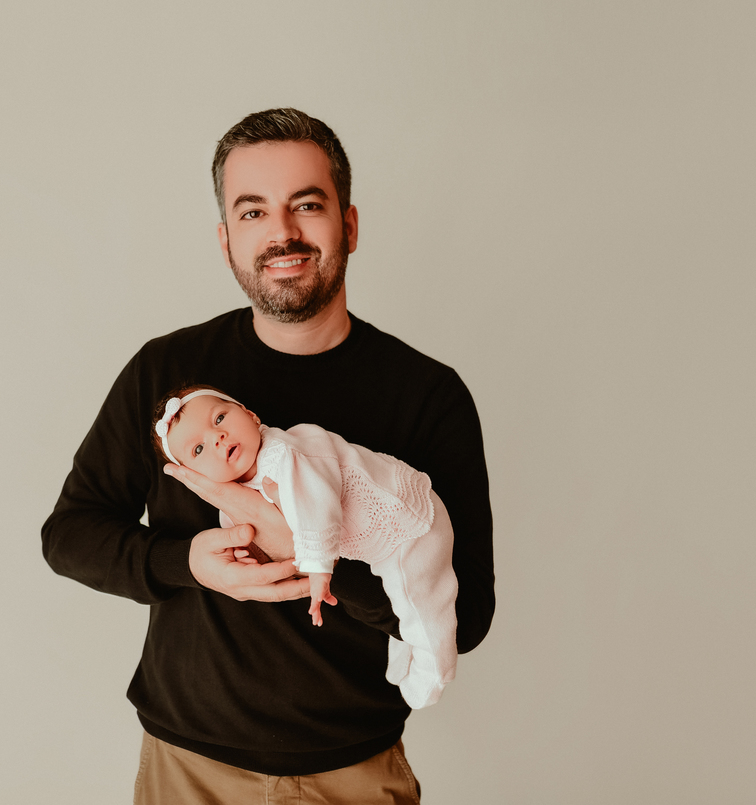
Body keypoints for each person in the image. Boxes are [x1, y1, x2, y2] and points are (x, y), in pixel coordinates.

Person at [41, 108, 494, 803]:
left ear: (349, 224)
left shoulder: (428, 395)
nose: (281, 232)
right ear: (226, 240)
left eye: (306, 205)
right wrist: (188, 562)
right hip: (186, 769)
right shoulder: (166, 376)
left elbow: (470, 614)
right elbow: (69, 535)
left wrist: (314, 553)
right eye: (253, 212)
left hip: (353, 772)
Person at [153, 384, 459, 709]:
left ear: (250, 415)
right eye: (198, 449)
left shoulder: (283, 454)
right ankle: (408, 653)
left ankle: (433, 676)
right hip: (380, 542)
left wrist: (317, 569)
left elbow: (317, 506)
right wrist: (245, 552)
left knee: (424, 604)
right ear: (195, 477)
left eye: (219, 418)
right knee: (403, 601)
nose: (217, 437)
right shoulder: (239, 488)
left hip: (406, 521)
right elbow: (243, 525)